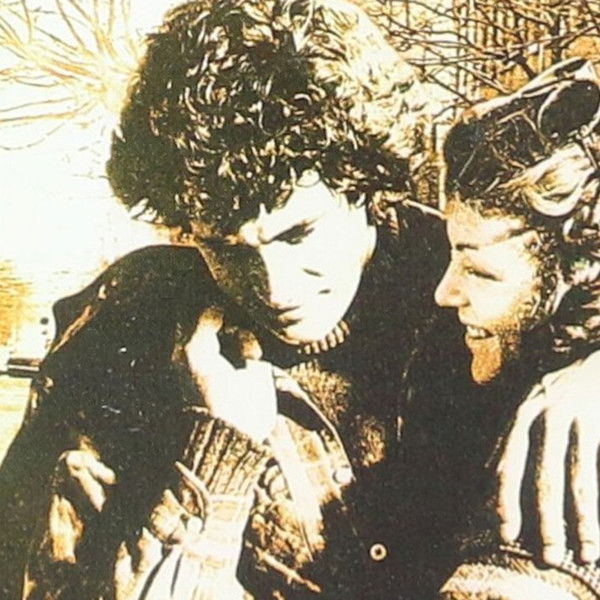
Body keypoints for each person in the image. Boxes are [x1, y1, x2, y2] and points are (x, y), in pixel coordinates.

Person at [1, 0, 599, 597]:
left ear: (366, 183)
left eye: (299, 233)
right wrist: (213, 459)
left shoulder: (493, 283)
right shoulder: (126, 331)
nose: (276, 287)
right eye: (226, 248)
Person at [408, 57, 600, 599]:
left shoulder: (565, 438)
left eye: (479, 270)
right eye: (452, 258)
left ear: (576, 278)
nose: (444, 292)